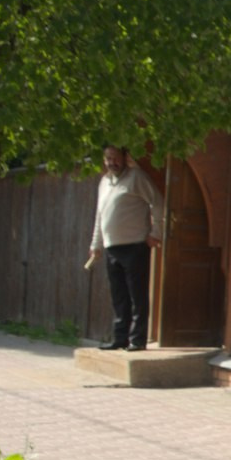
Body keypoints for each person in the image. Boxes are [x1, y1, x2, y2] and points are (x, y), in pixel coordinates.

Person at [86, 146, 166, 351]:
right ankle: (119, 338)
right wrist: (96, 244)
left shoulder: (136, 177)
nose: (112, 162)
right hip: (112, 247)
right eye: (108, 158)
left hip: (135, 245)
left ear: (125, 157)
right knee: (119, 296)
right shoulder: (104, 182)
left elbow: (158, 202)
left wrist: (155, 232)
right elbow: (100, 215)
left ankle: (137, 340)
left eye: (115, 158)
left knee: (137, 295)